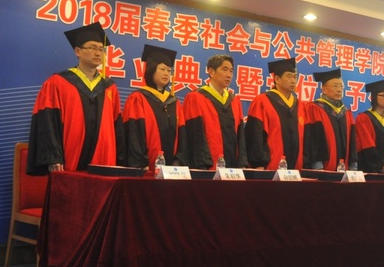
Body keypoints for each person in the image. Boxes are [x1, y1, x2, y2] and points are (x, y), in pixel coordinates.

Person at [27, 22, 124, 174]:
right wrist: (54, 157)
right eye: (92, 48)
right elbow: (48, 121)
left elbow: (117, 127)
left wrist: (119, 160)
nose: (98, 53)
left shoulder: (109, 87)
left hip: (103, 159)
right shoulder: (58, 83)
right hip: (69, 157)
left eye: (101, 49)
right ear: (78, 51)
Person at [123, 44, 186, 173]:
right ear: (151, 70)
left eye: (169, 70)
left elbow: (182, 136)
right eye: (162, 69)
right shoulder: (138, 98)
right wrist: (139, 164)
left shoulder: (174, 102)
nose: (166, 73)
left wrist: (178, 161)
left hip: (172, 171)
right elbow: (133, 134)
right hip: (146, 169)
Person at [184, 54, 247, 169]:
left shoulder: (234, 100)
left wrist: (241, 163)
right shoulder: (196, 97)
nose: (229, 75)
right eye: (224, 69)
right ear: (211, 72)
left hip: (232, 168)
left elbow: (240, 136)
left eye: (231, 71)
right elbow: (195, 135)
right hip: (206, 166)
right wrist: (202, 165)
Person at [246, 58, 304, 170]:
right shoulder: (263, 101)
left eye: (295, 77)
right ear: (277, 79)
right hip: (270, 168)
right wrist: (258, 163)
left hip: (295, 171)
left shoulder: (300, 105)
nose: (293, 81)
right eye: (289, 76)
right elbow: (255, 134)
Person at [303, 68, 357, 171]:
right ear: (324, 89)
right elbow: (313, 138)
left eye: (341, 86)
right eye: (335, 86)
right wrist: (317, 165)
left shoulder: (346, 112)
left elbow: (352, 142)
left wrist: (353, 165)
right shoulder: (314, 108)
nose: (339, 90)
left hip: (344, 170)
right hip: (322, 169)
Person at [355, 78, 384, 174]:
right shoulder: (363, 118)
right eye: (383, 95)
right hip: (368, 169)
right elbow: (366, 143)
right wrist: (380, 164)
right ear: (373, 97)